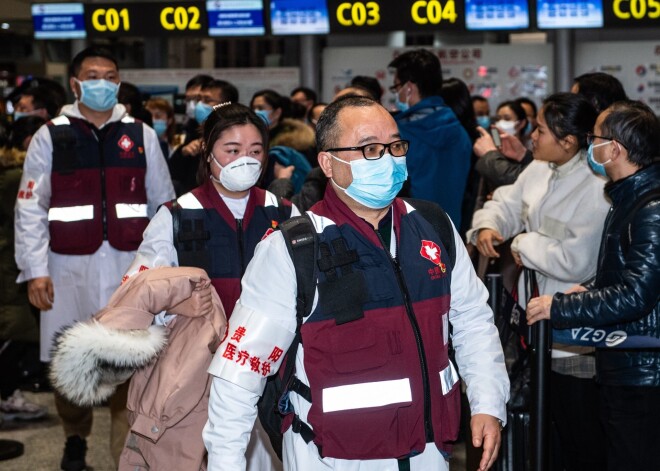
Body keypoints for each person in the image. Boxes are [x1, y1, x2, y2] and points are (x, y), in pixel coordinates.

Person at [203, 96, 509, 471]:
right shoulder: (294, 248)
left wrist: (488, 403)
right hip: (335, 456)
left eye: (395, 146)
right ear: (329, 163)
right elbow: (239, 375)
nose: (389, 159)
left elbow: (473, 322)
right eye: (369, 149)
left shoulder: (433, 226)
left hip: (430, 449)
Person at [13, 46, 175, 471]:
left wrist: (162, 268)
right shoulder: (51, 135)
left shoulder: (141, 134)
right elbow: (30, 207)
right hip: (68, 269)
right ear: (75, 83)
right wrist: (34, 271)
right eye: (93, 74)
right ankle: (74, 440)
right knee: (72, 365)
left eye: (110, 74)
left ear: (118, 82)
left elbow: (164, 204)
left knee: (129, 360)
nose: (102, 81)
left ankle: (123, 455)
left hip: (130, 268)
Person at [122, 102, 295, 470]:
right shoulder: (177, 215)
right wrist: (173, 310)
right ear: (209, 152)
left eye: (255, 151)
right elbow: (138, 293)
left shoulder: (284, 213)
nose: (244, 161)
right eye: (232, 151)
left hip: (269, 367)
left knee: (268, 457)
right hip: (198, 371)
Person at [467, 93, 610, 470]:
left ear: (568, 141)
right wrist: (489, 224)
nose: (533, 136)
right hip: (537, 326)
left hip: (576, 337)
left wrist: (524, 242)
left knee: (579, 434)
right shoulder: (541, 167)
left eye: (542, 130)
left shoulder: (596, 185)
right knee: (548, 434)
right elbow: (508, 203)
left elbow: (575, 259)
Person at [527, 100, 660, 471]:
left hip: (644, 373)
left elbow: (638, 295)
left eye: (594, 138)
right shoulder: (628, 196)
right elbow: (623, 272)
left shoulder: (650, 208)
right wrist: (588, 289)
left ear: (614, 148)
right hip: (627, 366)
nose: (589, 147)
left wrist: (559, 307)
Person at [388, 49, 472, 228]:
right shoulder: (460, 133)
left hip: (409, 235)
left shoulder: (396, 134)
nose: (396, 94)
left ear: (409, 88)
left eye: (396, 87)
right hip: (450, 234)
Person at [0, 116, 48, 423]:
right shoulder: (15, 176)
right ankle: (5, 395)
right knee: (15, 331)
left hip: (13, 263)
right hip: (10, 265)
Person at [170, 79, 239, 195]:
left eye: (207, 100)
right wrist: (184, 152)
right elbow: (174, 172)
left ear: (226, 104)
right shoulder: (193, 129)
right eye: (199, 99)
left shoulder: (239, 135)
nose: (200, 104)